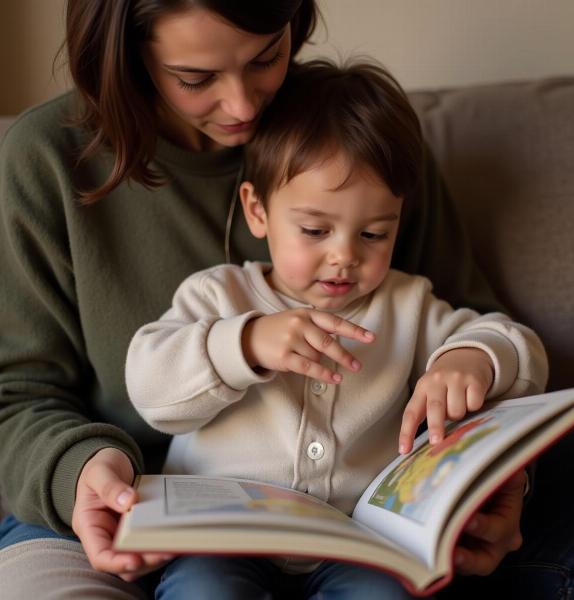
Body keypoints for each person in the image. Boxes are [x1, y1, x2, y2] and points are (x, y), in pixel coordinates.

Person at [0, 0, 574, 598]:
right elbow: (21, 396)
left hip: (363, 531)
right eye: (196, 78)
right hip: (157, 512)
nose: (245, 106)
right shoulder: (49, 161)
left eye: (266, 58)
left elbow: (484, 341)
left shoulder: (362, 131)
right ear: (127, 55)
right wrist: (75, 473)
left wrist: (498, 472)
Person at [123, 58, 549, 599]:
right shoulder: (217, 295)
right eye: (314, 229)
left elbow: (518, 347)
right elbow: (149, 387)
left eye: (373, 234)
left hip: (357, 542)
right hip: (219, 540)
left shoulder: (408, 303)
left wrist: (474, 358)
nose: (344, 256)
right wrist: (245, 344)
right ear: (258, 211)